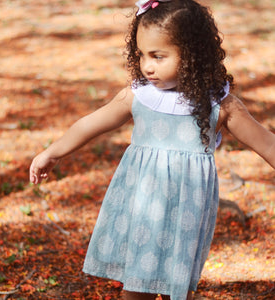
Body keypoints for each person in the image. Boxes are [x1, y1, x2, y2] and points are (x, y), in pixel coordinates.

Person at [29, 0, 275, 299]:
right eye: (142, 55)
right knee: (136, 286)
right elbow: (90, 124)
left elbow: (267, 143)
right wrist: (53, 152)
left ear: (193, 55)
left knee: (178, 285)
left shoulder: (220, 106)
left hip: (187, 210)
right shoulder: (138, 97)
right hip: (141, 206)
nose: (147, 66)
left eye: (158, 56)